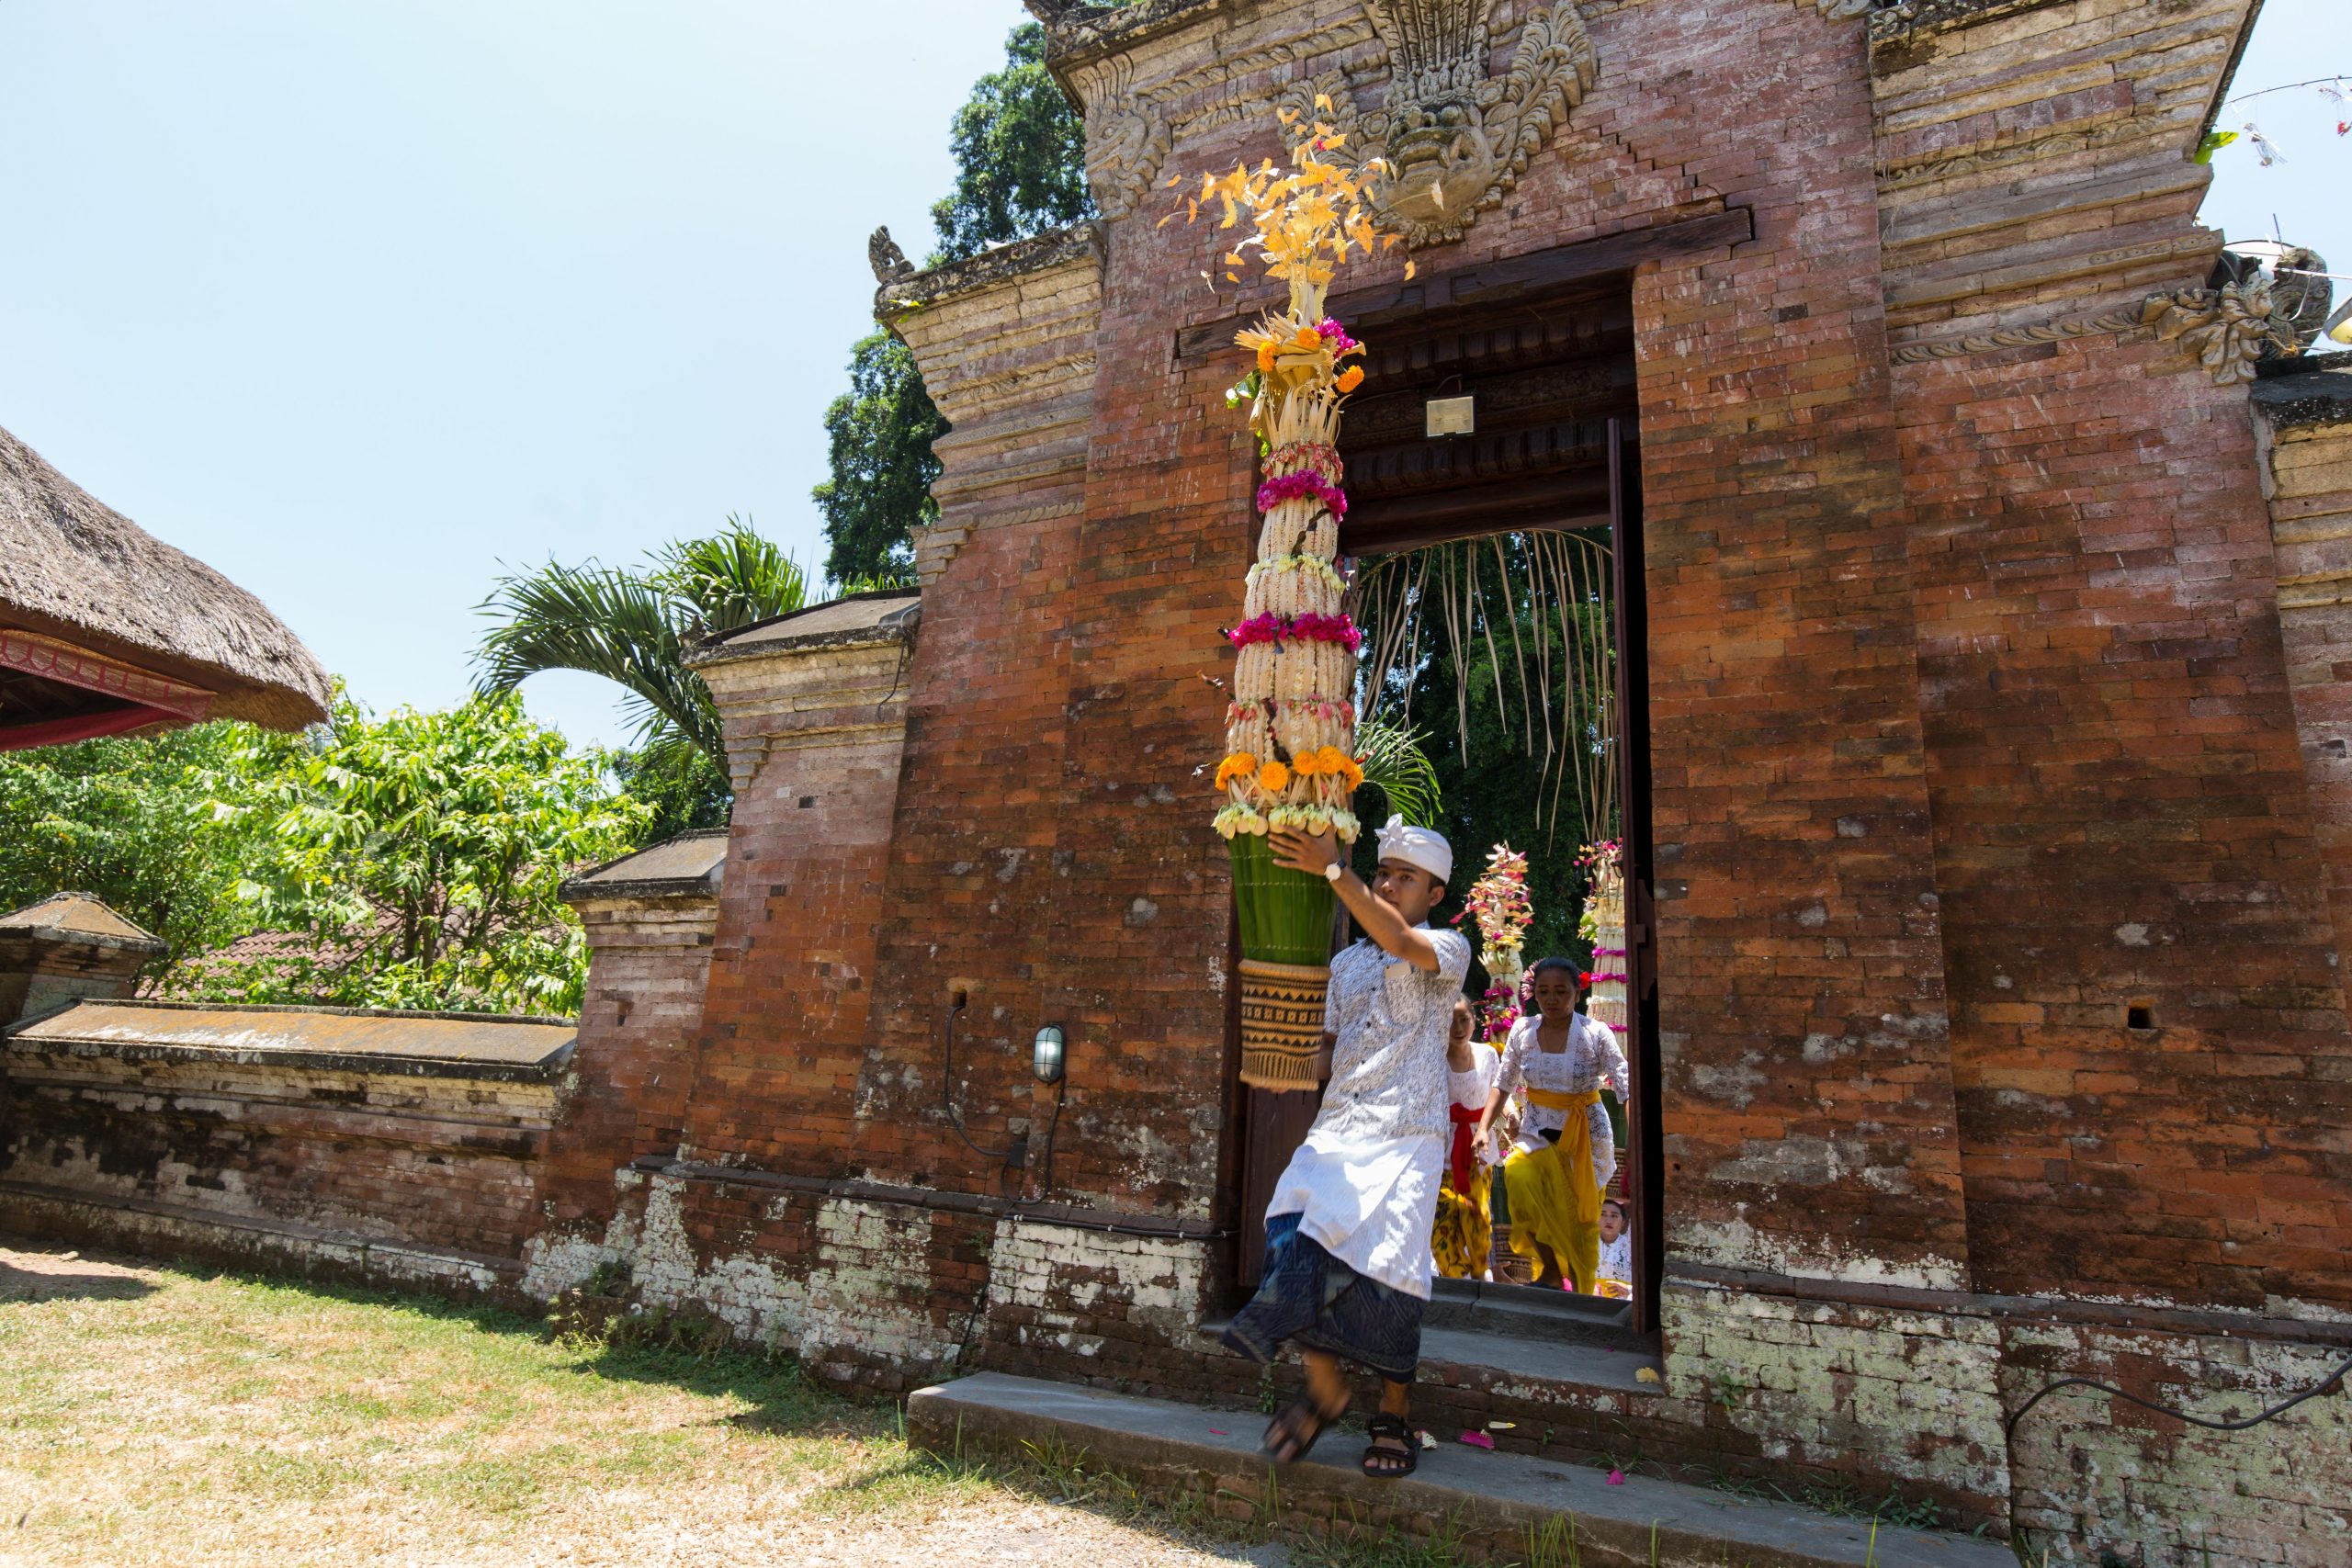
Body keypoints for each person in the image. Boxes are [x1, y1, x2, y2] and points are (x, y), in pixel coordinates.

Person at [1223, 815, 1470, 1482]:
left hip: (1407, 1137)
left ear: (1434, 895)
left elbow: (1395, 935)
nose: (1389, 885)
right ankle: (1326, 1385)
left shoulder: (1447, 949)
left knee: (1391, 1270)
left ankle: (1394, 1409)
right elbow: (1336, 1043)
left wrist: (1335, 868)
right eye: (1384, 871)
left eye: (1405, 877)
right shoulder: (1346, 961)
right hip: (1340, 1129)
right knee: (1291, 1234)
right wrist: (1298, 1051)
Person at [1476, 958, 1628, 1293]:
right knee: (1517, 1178)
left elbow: (1624, 1084)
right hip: (1537, 1131)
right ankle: (1548, 1269)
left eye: (1561, 991)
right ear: (1534, 994)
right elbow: (1503, 1082)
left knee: (1578, 1218)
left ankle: (1580, 1288)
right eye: (1544, 991)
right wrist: (1484, 1128)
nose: (1552, 999)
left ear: (1577, 993)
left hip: (1585, 1135)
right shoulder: (1523, 1030)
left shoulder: (1594, 1033)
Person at [1431, 998, 1498, 1281]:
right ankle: (1456, 1277)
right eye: (1449, 1021)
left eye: (1463, 1020)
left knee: (1477, 1217)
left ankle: (1481, 1272)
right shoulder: (1431, 1059)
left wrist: (1511, 1115)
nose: (1457, 1028)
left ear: (1475, 1020)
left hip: (1478, 1150)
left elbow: (1499, 1092)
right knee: (1442, 1221)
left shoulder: (1487, 1055)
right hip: (1440, 1150)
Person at [1594, 1197, 1632, 1300]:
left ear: (1623, 1222)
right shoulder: (1585, 1244)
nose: (1609, 1220)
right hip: (1590, 1301)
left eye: (1614, 1216)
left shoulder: (1631, 1245)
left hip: (1623, 1303)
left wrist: (1629, 1290)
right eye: (1603, 1214)